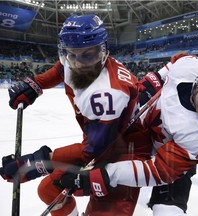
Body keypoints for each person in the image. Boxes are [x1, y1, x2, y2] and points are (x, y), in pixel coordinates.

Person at [56, 53, 198, 215]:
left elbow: (158, 171)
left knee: (167, 212)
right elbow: (176, 62)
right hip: (140, 133)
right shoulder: (189, 65)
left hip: (172, 161)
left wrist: (106, 175)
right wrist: (151, 83)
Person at [1, 14, 152, 216]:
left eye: (87, 55)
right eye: (72, 54)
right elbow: (61, 69)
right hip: (101, 139)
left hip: (124, 152)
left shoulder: (108, 93)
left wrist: (36, 163)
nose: (79, 63)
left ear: (103, 50)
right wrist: (36, 84)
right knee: (49, 190)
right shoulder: (75, 61)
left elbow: (92, 151)